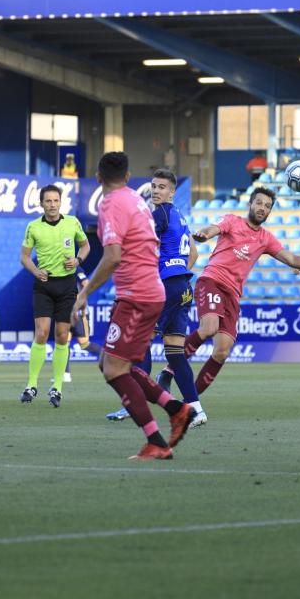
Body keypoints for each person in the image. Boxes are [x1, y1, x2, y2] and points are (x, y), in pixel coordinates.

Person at [72, 152, 196, 460]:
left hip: (137, 295)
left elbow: (112, 255)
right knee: (118, 364)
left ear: (99, 178)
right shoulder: (138, 201)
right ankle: (176, 408)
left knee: (113, 368)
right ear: (128, 178)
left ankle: (156, 440)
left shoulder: (111, 204)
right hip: (151, 290)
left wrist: (85, 291)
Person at [184, 187, 300, 398]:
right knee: (209, 327)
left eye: (267, 206)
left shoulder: (266, 239)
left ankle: (189, 401)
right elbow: (212, 229)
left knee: (222, 351)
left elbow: (291, 259)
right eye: (259, 203)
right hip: (212, 281)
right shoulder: (232, 221)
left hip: (233, 294)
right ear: (250, 204)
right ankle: (170, 370)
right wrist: (203, 234)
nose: (262, 208)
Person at [108, 168, 206, 426]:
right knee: (175, 353)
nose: (156, 190)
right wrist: (177, 270)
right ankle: (196, 409)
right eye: (154, 186)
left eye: (162, 187)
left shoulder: (159, 213)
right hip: (184, 288)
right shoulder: (181, 217)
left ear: (172, 192)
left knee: (140, 344)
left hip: (167, 287)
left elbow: (141, 241)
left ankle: (133, 404)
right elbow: (193, 254)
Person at [19, 185, 90, 407]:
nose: (52, 205)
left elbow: (86, 246)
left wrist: (78, 260)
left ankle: (57, 387)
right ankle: (31, 384)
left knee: (61, 335)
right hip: (44, 285)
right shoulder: (33, 227)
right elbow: (25, 257)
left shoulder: (72, 222)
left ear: (61, 202)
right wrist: (35, 270)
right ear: (41, 204)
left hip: (67, 285)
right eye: (48, 201)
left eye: (55, 200)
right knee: (41, 333)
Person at [61, 266, 103, 386]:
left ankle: (109, 359)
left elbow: (86, 283)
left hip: (78, 312)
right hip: (64, 311)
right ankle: (65, 374)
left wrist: (80, 300)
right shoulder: (57, 268)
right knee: (64, 343)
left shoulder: (76, 269)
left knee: (84, 344)